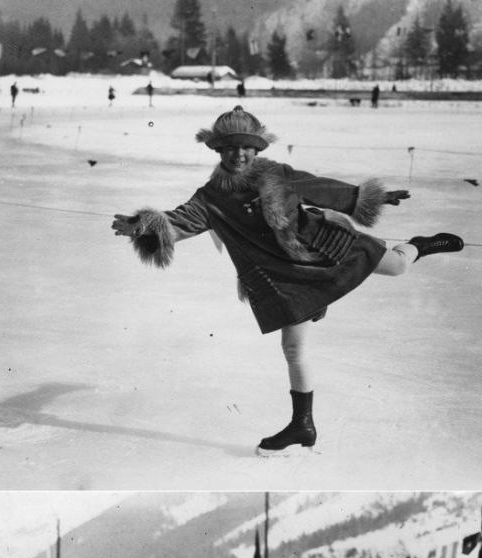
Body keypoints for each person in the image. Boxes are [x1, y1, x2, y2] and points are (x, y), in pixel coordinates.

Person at [112, 106, 464, 456]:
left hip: (324, 247)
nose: (239, 154)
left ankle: (420, 245)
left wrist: (368, 197)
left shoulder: (276, 174)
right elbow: (180, 221)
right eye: (231, 148)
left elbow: (319, 188)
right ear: (218, 150)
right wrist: (142, 225)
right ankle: (303, 425)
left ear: (258, 148)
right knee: (294, 349)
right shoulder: (209, 199)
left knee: (397, 267)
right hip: (283, 279)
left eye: (246, 147)